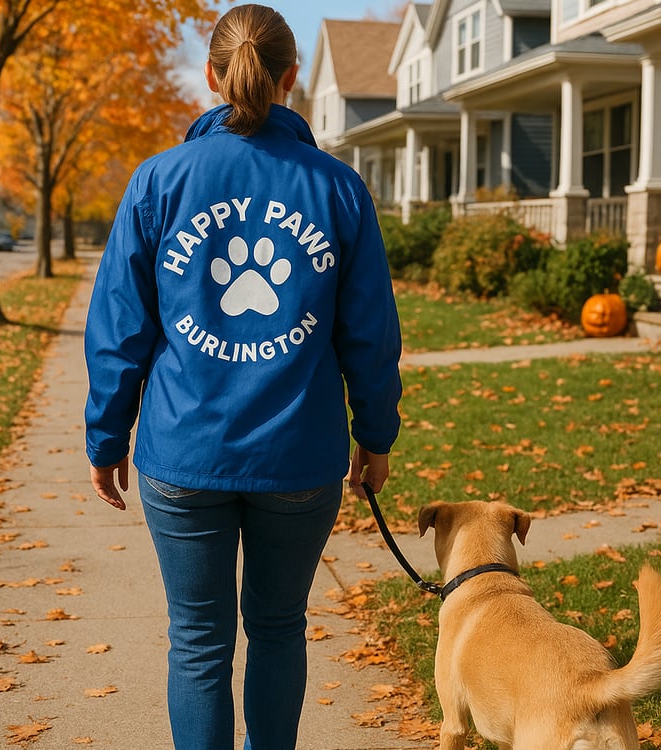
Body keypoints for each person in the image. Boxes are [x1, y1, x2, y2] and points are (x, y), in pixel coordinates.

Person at [83, 5, 402, 749]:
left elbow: (119, 328)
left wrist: (106, 436)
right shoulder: (338, 188)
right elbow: (371, 334)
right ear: (293, 77)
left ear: (211, 75)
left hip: (183, 450)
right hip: (300, 453)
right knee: (279, 627)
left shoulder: (159, 180)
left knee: (197, 641)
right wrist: (376, 436)